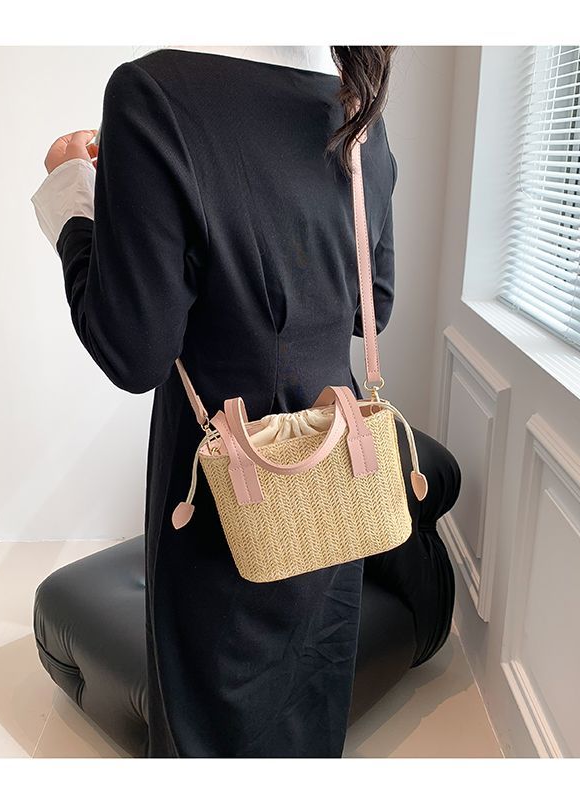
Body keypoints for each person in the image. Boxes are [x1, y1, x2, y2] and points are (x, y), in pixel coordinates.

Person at [30, 46, 442, 758]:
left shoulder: (153, 94)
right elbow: (372, 305)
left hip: (231, 480)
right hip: (335, 465)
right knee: (313, 696)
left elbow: (132, 353)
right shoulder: (358, 108)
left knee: (210, 721)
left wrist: (76, 204)